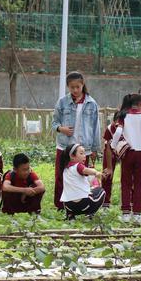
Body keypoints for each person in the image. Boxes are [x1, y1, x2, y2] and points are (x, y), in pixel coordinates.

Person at [52, 71, 101, 209]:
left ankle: (82, 204)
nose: (75, 90)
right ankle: (60, 205)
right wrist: (62, 129)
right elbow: (54, 123)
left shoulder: (92, 103)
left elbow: (96, 127)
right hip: (65, 147)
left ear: (82, 85)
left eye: (77, 87)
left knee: (83, 176)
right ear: (68, 87)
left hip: (83, 148)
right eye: (72, 87)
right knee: (61, 176)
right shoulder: (62, 102)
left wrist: (95, 149)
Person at [111, 93, 141, 224]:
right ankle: (137, 213)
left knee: (126, 182)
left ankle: (125, 213)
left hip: (128, 152)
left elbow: (118, 132)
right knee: (139, 183)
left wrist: (113, 146)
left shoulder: (123, 115)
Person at [60, 144, 105, 220]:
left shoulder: (65, 169)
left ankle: (70, 216)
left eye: (84, 153)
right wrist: (96, 172)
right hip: (83, 205)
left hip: (68, 206)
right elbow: (87, 170)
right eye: (81, 153)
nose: (84, 156)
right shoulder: (78, 166)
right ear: (72, 156)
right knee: (101, 191)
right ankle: (89, 214)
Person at [102, 112, 119, 208]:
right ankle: (105, 203)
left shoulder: (128, 129)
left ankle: (130, 204)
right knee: (107, 174)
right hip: (111, 152)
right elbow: (108, 149)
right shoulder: (110, 129)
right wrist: (109, 167)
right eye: (115, 123)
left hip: (126, 152)